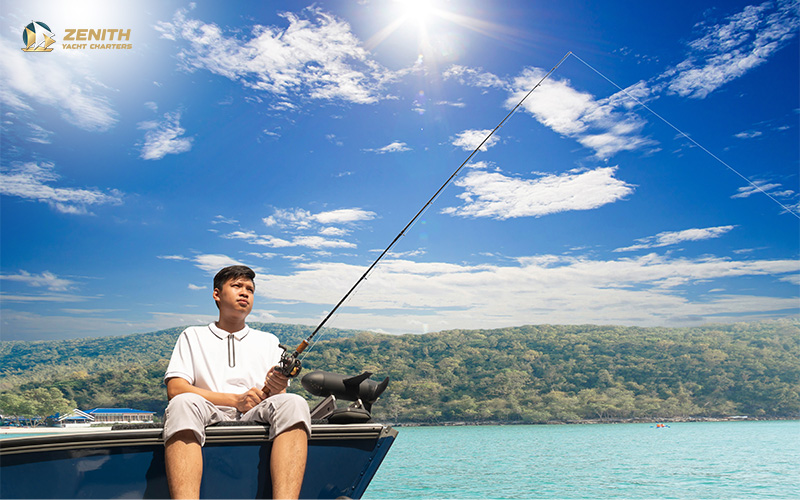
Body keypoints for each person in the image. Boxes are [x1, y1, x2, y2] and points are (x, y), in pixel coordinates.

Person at [162, 265, 311, 499]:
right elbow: (175, 389)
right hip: (205, 413)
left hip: (254, 414)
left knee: (294, 403)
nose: (245, 293)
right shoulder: (192, 336)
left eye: (250, 289)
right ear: (217, 294)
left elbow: (278, 396)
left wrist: (276, 385)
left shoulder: (268, 341)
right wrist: (235, 400)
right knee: (182, 403)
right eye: (237, 286)